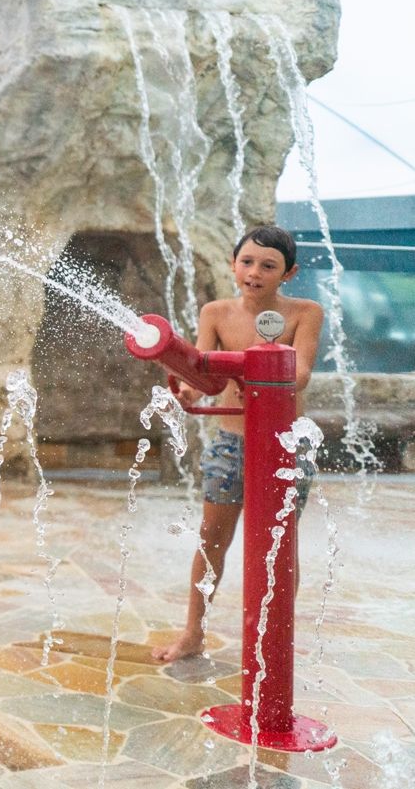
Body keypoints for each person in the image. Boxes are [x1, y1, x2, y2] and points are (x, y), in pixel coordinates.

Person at [151, 225, 324, 663]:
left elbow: (300, 373)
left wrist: (256, 368)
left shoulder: (305, 312)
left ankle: (274, 639)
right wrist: (189, 390)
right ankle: (193, 632)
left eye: (269, 266)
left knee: (279, 544)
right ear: (233, 265)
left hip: (285, 446)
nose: (255, 272)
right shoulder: (215, 313)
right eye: (247, 262)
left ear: (289, 272)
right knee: (211, 537)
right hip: (232, 443)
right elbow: (204, 377)